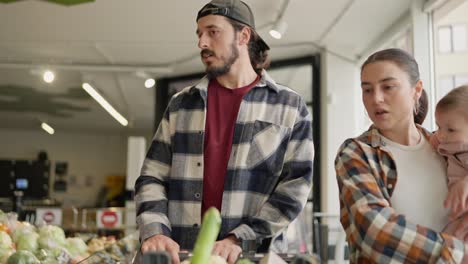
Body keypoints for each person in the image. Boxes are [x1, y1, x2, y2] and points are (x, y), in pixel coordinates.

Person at [135, 0, 314, 263]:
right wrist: (154, 231)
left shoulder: (289, 106)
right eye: (199, 34)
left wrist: (240, 238)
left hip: (252, 256)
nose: (202, 43)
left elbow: (295, 187)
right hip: (183, 256)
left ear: (244, 35)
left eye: (212, 32)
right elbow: (152, 176)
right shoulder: (181, 104)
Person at [335, 48, 467, 263]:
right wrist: (459, 253)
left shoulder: (446, 146)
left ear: (416, 90)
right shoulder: (357, 153)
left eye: (388, 87)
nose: (376, 98)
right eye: (367, 90)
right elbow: (376, 234)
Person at [432, 85, 468, 251]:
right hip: (457, 217)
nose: (442, 135)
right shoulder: (448, 142)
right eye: (439, 127)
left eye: (450, 129)